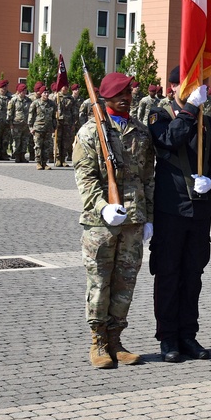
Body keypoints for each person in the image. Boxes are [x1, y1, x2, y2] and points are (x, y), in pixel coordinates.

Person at [147, 66, 211, 362]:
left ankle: (188, 334)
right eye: (192, 86)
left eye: (202, 85)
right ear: (172, 88)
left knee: (193, 274)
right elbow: (169, 140)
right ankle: (168, 337)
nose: (201, 90)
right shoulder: (159, 117)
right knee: (168, 274)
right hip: (170, 209)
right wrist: (190, 109)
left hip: (199, 210)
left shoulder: (209, 123)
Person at [73, 73, 155, 369]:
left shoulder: (141, 132)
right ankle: (98, 341)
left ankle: (116, 339)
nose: (126, 97)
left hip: (133, 220)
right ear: (105, 97)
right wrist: (102, 205)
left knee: (125, 282)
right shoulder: (90, 132)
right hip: (101, 223)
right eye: (119, 93)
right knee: (100, 282)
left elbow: (147, 178)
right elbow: (85, 177)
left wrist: (149, 217)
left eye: (129, 92)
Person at [28, 82, 56, 170]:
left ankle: (45, 163)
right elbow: (31, 116)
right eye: (44, 93)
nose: (46, 94)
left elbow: (54, 117)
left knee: (47, 146)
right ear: (41, 93)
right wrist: (31, 127)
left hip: (48, 128)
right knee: (38, 146)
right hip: (38, 128)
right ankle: (38, 162)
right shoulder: (35, 103)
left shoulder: (52, 104)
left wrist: (54, 127)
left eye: (47, 93)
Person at [7, 84, 32, 163]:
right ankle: (17, 156)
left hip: (25, 124)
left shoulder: (28, 100)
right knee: (17, 141)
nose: (24, 92)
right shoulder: (14, 100)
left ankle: (22, 155)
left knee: (24, 141)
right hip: (16, 124)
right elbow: (10, 113)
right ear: (19, 91)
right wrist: (10, 123)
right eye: (23, 91)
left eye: (25, 91)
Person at [54, 83, 78, 167]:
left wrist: (74, 122)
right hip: (58, 122)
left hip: (68, 122)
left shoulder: (70, 98)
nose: (66, 88)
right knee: (57, 141)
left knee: (65, 141)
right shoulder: (55, 97)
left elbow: (74, 111)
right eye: (64, 86)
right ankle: (57, 159)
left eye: (67, 87)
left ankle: (63, 159)